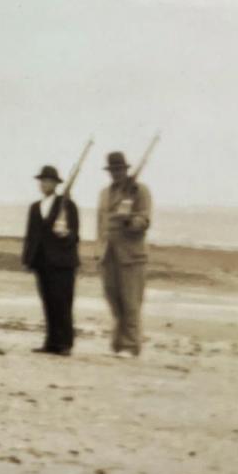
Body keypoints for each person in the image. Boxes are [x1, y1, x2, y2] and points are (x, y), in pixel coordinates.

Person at [97, 151, 152, 357]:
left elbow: (144, 220)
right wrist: (98, 251)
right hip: (108, 253)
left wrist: (129, 220)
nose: (116, 173)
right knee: (113, 299)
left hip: (132, 254)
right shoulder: (105, 193)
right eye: (113, 170)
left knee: (131, 302)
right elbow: (101, 223)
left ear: (126, 170)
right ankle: (118, 343)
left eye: (119, 169)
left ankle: (130, 345)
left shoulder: (139, 190)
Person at [22, 165, 80, 356]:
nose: (44, 184)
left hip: (62, 262)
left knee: (62, 302)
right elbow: (31, 235)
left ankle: (65, 344)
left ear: (56, 184)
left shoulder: (68, 205)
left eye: (48, 181)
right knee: (47, 302)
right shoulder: (35, 207)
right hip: (41, 261)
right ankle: (51, 342)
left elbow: (75, 235)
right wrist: (27, 260)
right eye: (42, 181)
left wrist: (65, 234)